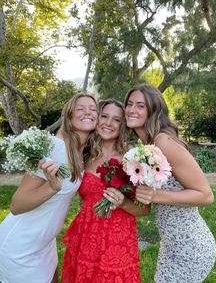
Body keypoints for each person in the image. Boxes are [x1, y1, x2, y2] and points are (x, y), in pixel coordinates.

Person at [0, 93, 98, 283]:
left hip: (45, 244)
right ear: (69, 115)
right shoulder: (52, 148)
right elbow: (16, 205)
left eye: (93, 109)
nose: (88, 112)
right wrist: (51, 188)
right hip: (21, 245)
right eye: (80, 108)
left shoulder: (80, 152)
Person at [124, 84, 216, 283]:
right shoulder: (148, 145)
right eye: (129, 104)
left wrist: (156, 196)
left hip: (191, 247)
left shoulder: (163, 141)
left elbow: (206, 195)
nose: (131, 109)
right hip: (171, 245)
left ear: (153, 110)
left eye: (140, 105)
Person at [61, 98, 150, 283]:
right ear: (97, 118)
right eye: (104, 116)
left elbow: (145, 209)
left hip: (117, 241)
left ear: (123, 125)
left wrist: (123, 202)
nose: (109, 123)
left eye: (116, 119)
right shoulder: (83, 154)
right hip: (86, 236)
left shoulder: (132, 159)